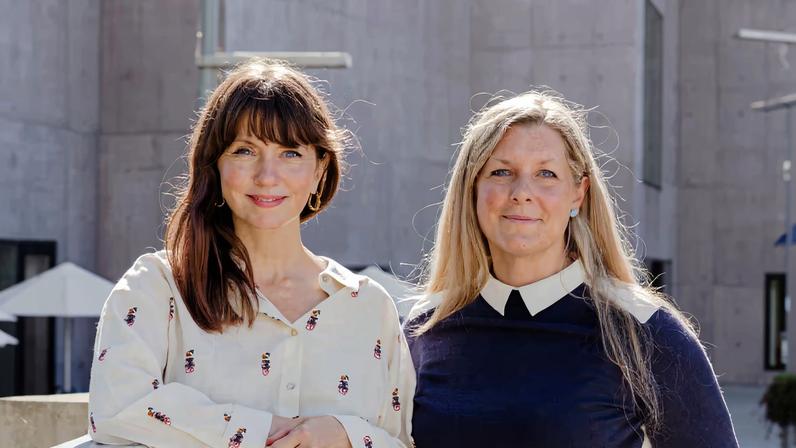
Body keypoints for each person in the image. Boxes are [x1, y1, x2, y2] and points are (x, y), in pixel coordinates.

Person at [88, 59, 414, 448]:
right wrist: (267, 432)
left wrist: (345, 436)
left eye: (290, 153)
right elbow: (116, 409)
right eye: (245, 150)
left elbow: (401, 439)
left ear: (320, 171)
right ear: (215, 165)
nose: (266, 176)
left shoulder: (370, 306)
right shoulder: (157, 288)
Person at [405, 91, 739, 447]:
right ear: (472, 188)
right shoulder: (424, 328)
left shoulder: (645, 331)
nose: (522, 192)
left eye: (546, 174)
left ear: (578, 194)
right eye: (501, 172)